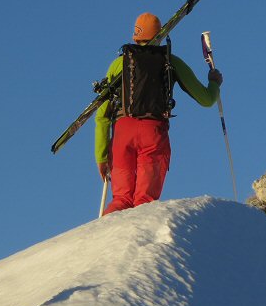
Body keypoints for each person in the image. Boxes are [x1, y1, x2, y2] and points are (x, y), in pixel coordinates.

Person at [95, 12, 223, 215]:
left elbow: (102, 115)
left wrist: (101, 156)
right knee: (144, 201)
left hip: (122, 135)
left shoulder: (118, 65)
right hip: (152, 133)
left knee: (120, 199)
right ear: (160, 35)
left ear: (135, 36)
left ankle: (106, 242)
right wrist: (214, 83)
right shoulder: (170, 61)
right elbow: (206, 99)